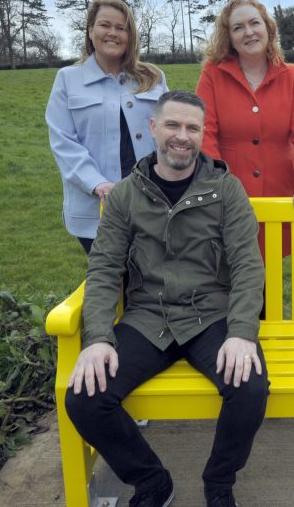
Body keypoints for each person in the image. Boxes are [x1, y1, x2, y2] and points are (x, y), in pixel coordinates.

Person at [65, 91, 268, 507]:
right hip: (147, 319)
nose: (182, 136)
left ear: (202, 134)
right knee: (84, 399)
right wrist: (98, 337)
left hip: (210, 316)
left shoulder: (226, 190)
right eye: (173, 125)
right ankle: (153, 481)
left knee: (249, 387)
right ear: (154, 128)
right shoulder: (125, 195)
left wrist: (242, 332)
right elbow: (103, 270)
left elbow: (248, 265)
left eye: (192, 128)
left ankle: (219, 482)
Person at [196, 0, 294, 257]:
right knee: (232, 277)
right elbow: (205, 133)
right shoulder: (212, 74)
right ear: (228, 37)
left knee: (271, 275)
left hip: (280, 194)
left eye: (255, 23)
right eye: (238, 27)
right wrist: (220, 185)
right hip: (228, 197)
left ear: (268, 28)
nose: (249, 32)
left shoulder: (292, 77)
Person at [46, 0, 168, 254]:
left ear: (130, 35)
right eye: (105, 25)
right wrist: (96, 184)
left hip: (151, 204)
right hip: (94, 209)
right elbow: (63, 141)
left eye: (121, 28)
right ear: (90, 31)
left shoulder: (153, 77)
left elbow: (168, 133)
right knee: (110, 282)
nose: (113, 33)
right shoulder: (68, 79)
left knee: (152, 282)